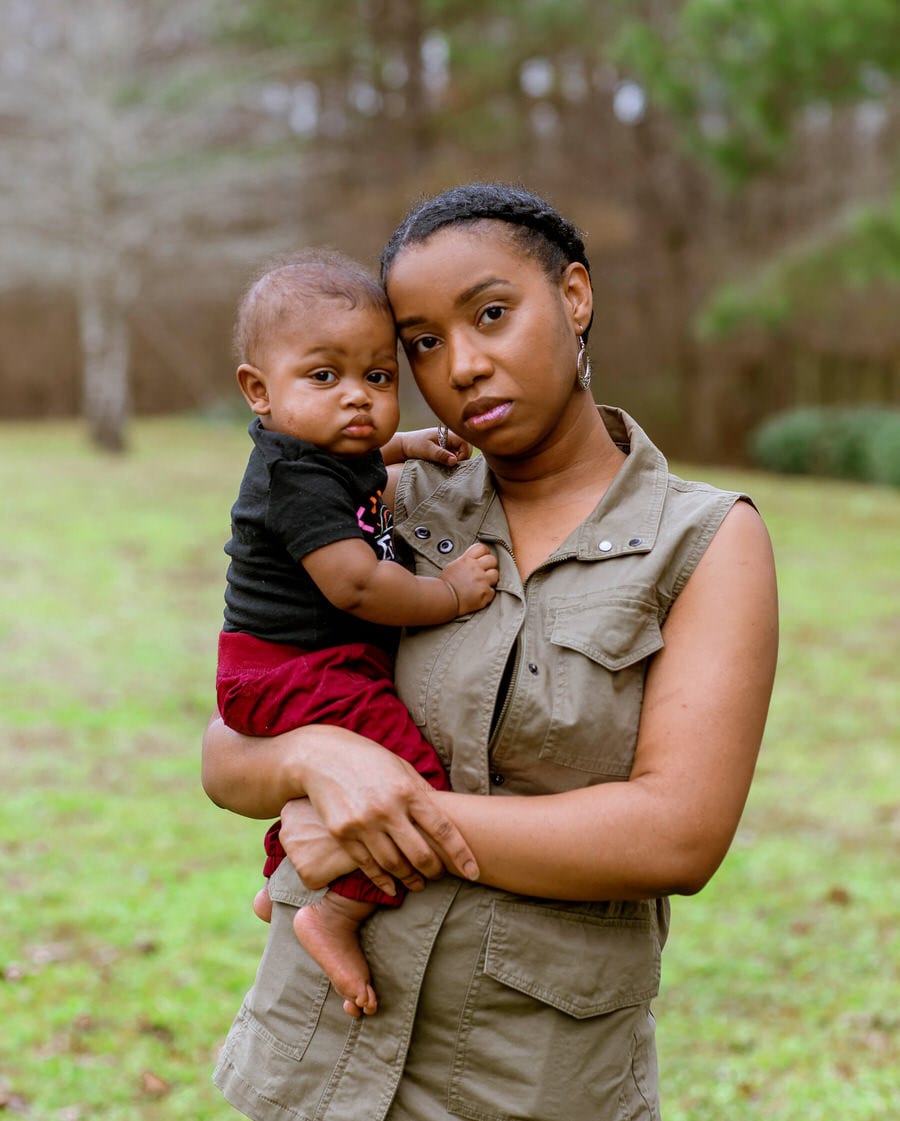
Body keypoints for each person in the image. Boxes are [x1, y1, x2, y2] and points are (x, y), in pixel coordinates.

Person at [202, 183, 778, 1121]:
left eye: (493, 314)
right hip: (321, 1057)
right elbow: (227, 754)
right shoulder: (391, 504)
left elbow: (677, 832)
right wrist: (318, 758)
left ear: (576, 297)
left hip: (527, 1073)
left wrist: (384, 815)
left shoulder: (703, 541)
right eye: (424, 342)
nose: (461, 365)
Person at [216, 249, 499, 1018]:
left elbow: (362, 460)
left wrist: (406, 446)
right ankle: (334, 913)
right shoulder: (292, 475)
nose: (358, 399)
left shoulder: (321, 452)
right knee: (408, 785)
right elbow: (357, 583)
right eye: (324, 376)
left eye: (378, 378)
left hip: (300, 661)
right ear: (259, 391)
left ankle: (283, 881)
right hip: (289, 667)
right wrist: (447, 592)